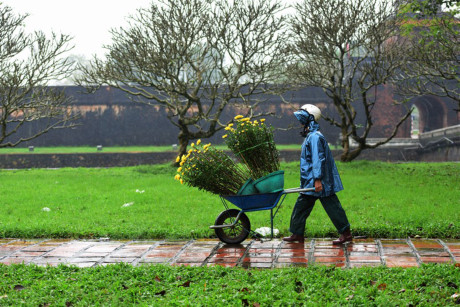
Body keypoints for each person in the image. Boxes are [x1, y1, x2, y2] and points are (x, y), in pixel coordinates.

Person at [282, 104, 352, 244]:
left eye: (302, 118)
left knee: (333, 207)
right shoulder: (310, 135)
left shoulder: (315, 137)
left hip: (319, 182)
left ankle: (346, 233)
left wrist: (318, 179)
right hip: (309, 180)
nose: (299, 121)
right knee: (301, 206)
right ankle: (297, 233)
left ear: (310, 119)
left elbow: (317, 159)